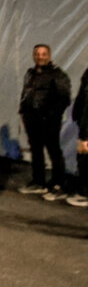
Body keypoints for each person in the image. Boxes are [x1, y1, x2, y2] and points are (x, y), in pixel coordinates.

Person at [18, 44, 72, 199]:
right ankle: (38, 182)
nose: (40, 57)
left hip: (49, 122)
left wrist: (50, 116)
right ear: (33, 55)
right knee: (36, 151)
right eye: (37, 54)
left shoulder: (58, 75)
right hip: (31, 120)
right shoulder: (30, 73)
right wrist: (24, 112)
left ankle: (58, 184)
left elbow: (64, 99)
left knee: (54, 151)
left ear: (49, 56)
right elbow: (26, 94)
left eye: (43, 54)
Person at [68, 64, 88, 208]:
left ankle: (85, 193)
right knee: (82, 157)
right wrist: (76, 114)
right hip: (84, 124)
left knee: (85, 157)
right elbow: (82, 97)